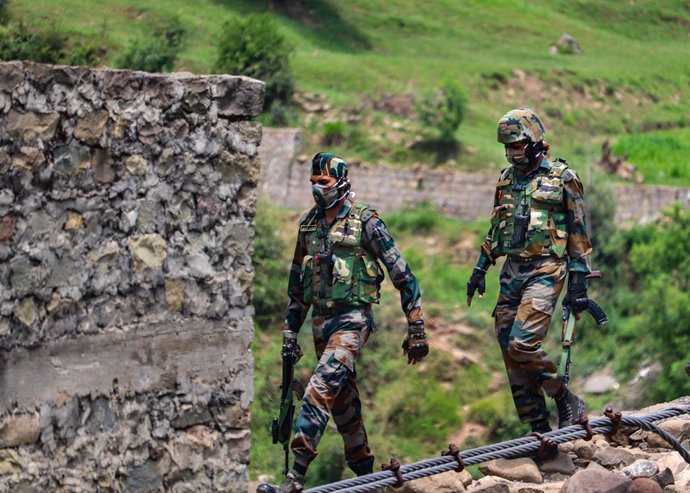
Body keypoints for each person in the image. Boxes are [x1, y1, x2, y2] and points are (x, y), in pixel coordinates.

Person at [269, 152, 428, 493]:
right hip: (320, 324)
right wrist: (289, 331)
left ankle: (295, 477)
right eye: (312, 182)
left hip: (353, 321)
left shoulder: (365, 221)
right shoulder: (309, 225)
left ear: (340, 182)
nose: (316, 189)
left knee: (320, 388)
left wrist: (415, 325)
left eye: (322, 183)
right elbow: (297, 288)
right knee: (343, 404)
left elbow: (402, 273)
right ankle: (365, 477)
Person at [466, 108, 597, 442]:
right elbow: (498, 227)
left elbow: (579, 232)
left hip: (545, 269)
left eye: (517, 146)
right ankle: (538, 429)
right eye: (507, 147)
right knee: (509, 350)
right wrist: (481, 267)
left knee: (523, 344)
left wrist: (578, 284)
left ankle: (564, 396)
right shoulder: (506, 179)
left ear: (535, 141)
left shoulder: (563, 177)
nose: (511, 153)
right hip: (512, 272)